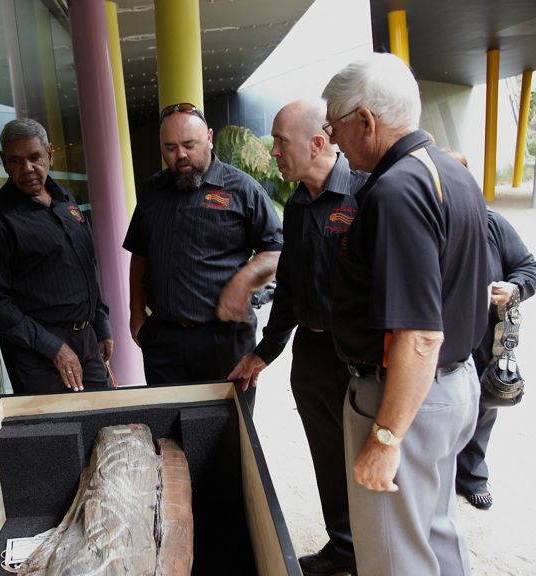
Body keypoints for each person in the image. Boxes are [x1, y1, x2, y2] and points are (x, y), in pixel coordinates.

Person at [322, 53, 489, 576]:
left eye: (335, 127)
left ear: (365, 120)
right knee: (435, 533)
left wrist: (385, 438)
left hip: (404, 397)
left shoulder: (396, 190)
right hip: (452, 388)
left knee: (395, 557)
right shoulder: (451, 173)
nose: (334, 141)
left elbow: (419, 335)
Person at [228, 100, 366, 575]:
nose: (273, 152)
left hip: (359, 357)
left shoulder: (366, 193)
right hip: (311, 353)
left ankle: (376, 555)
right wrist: (265, 352)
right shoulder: (299, 205)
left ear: (318, 143)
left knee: (367, 458)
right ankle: (344, 546)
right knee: (326, 455)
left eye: (280, 141)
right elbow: (288, 288)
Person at [123, 103, 282, 403]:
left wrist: (243, 281)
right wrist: (136, 313)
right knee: (169, 425)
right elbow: (140, 254)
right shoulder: (153, 190)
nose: (180, 155)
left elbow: (275, 250)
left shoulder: (243, 189)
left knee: (228, 426)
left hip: (225, 340)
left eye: (189, 145)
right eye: (170, 148)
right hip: (164, 341)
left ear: (209, 137)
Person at [0, 118, 113, 394]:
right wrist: (54, 348)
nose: (26, 168)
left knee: (106, 412)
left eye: (35, 157)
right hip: (37, 354)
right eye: (15, 161)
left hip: (86, 338)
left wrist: (101, 323)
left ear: (50, 153)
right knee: (58, 422)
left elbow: (86, 265)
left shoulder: (65, 199)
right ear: (4, 161)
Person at [455, 210, 536, 509]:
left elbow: (528, 268)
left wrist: (513, 287)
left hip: (483, 332)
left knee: (482, 403)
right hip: (435, 333)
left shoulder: (491, 223)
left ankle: (471, 475)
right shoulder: (422, 219)